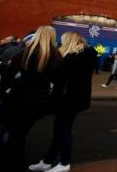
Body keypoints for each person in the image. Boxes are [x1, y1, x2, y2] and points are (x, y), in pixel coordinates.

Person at [0, 26, 63, 171]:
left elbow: (7, 78)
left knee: (15, 134)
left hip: (17, 99)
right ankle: (14, 161)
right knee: (20, 133)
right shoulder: (57, 56)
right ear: (53, 37)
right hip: (38, 102)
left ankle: (10, 162)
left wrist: (1, 93)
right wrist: (51, 105)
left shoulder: (23, 53)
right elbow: (59, 84)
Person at [29, 32, 97, 172]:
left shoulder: (74, 57)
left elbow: (62, 78)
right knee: (59, 129)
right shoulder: (85, 54)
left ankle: (64, 162)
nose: (61, 43)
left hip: (68, 99)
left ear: (69, 40)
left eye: (63, 40)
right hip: (74, 99)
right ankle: (48, 160)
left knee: (63, 130)